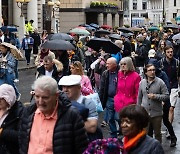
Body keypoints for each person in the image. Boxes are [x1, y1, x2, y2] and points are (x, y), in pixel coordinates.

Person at [19, 76, 88, 154]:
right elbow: (22, 143)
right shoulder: (28, 113)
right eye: (37, 96)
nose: (40, 102)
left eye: (45, 98)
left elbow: (82, 148)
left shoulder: (71, 115)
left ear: (56, 96)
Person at [59, 75, 100, 142]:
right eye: (63, 87)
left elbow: (92, 127)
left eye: (69, 87)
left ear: (79, 87)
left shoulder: (87, 103)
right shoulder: (59, 103)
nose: (65, 90)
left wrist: (65, 124)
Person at [138, 64, 169, 143]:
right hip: (145, 113)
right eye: (150, 70)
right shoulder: (142, 83)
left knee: (157, 134)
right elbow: (139, 97)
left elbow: (166, 96)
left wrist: (155, 96)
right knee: (145, 134)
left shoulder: (160, 82)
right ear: (145, 72)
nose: (152, 72)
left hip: (157, 113)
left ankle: (158, 149)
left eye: (153, 70)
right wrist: (138, 110)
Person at [0, 84, 24, 154]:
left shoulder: (20, 113)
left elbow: (22, 136)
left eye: (0, 100)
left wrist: (2, 132)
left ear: (8, 98)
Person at [159, 46, 180, 125]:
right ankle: (166, 124)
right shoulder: (161, 62)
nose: (170, 53)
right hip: (163, 87)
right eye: (168, 52)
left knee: (171, 108)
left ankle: (169, 127)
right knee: (164, 108)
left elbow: (179, 76)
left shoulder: (177, 62)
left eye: (171, 52)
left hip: (174, 85)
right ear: (165, 53)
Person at [99, 57, 119, 138]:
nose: (106, 65)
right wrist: (101, 100)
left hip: (118, 99)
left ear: (114, 65)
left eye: (108, 64)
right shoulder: (105, 73)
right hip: (109, 98)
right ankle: (113, 134)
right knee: (110, 118)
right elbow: (102, 87)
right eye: (106, 63)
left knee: (118, 117)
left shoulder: (120, 73)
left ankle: (121, 132)